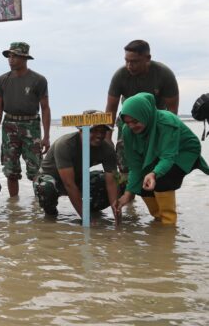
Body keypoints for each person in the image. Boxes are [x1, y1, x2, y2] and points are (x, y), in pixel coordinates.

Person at [112, 93, 209, 225]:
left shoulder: (166, 122)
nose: (132, 126)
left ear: (145, 114)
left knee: (162, 180)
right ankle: (159, 220)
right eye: (127, 122)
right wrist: (128, 194)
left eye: (135, 121)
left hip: (184, 152)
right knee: (142, 185)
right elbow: (135, 166)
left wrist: (154, 173)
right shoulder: (127, 131)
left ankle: (169, 224)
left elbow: (168, 157)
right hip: (158, 153)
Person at [105, 40, 179, 189]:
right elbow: (111, 108)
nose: (129, 66)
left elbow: (172, 111)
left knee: (157, 160)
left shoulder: (164, 74)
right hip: (128, 121)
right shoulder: (121, 75)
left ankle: (157, 192)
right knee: (125, 161)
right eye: (126, 61)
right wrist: (108, 137)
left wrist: (168, 137)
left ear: (147, 58)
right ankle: (128, 198)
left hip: (157, 121)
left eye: (134, 62)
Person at [33, 111, 120, 222]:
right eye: (94, 131)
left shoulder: (107, 149)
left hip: (78, 178)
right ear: (81, 130)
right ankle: (51, 215)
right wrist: (86, 220)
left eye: (103, 131)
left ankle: (92, 209)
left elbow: (112, 182)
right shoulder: (65, 144)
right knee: (46, 188)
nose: (99, 135)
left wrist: (118, 218)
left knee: (117, 182)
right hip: (53, 180)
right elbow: (69, 185)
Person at [0, 42, 51, 197]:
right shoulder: (1, 80)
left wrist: (46, 136)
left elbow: (45, 108)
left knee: (36, 169)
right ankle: (14, 207)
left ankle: (38, 205)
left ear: (24, 58)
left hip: (31, 124)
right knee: (10, 170)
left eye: (15, 56)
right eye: (9, 56)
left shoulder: (38, 80)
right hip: (9, 124)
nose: (11, 59)